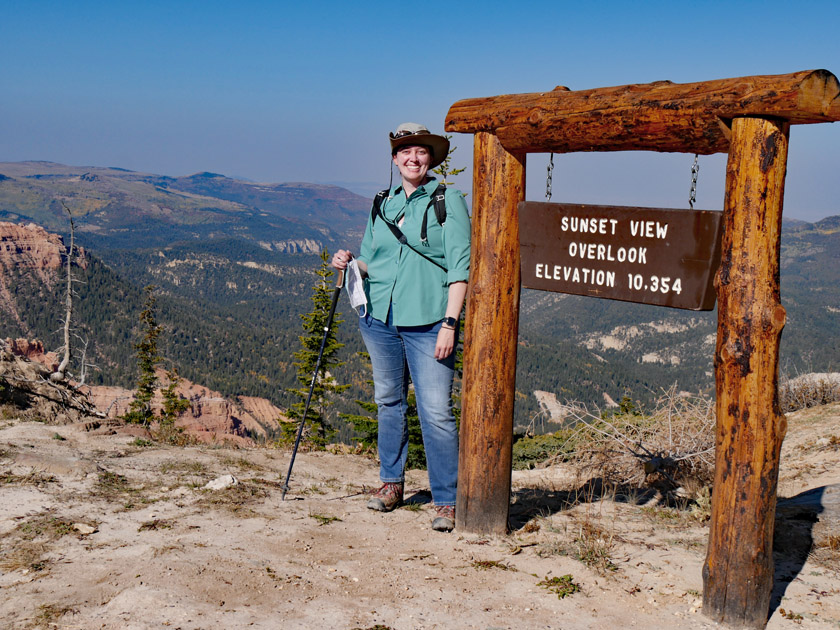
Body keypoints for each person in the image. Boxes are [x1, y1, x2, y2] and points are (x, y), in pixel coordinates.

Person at [332, 122, 470, 532]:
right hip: (380, 318)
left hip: (430, 321)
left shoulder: (449, 200)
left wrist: (450, 323)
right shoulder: (382, 202)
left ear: (431, 158)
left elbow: (460, 267)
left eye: (421, 152)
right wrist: (348, 261)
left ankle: (446, 500)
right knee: (389, 401)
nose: (413, 158)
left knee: (436, 412)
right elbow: (374, 261)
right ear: (395, 158)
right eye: (405, 151)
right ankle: (391, 484)